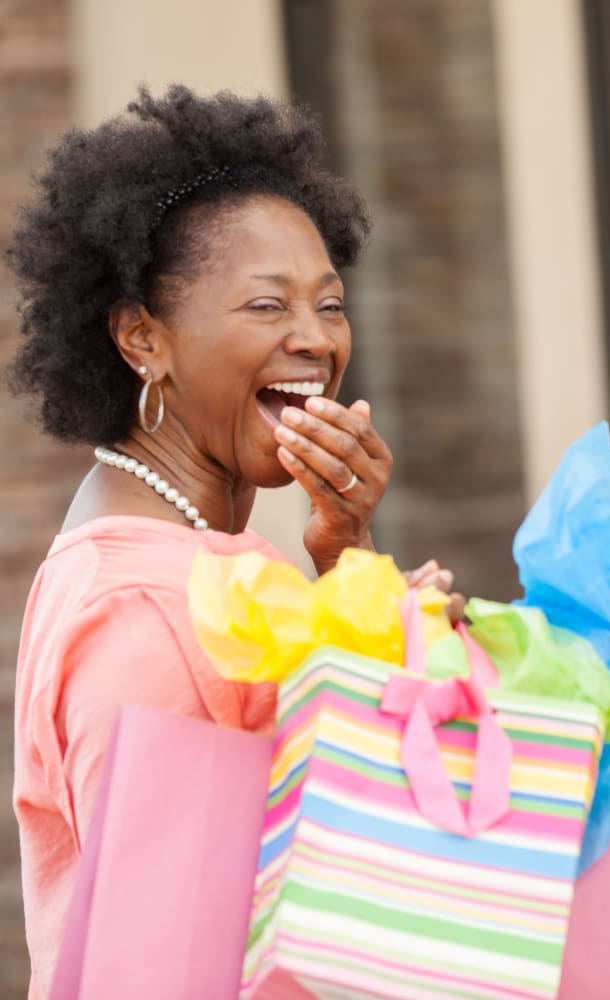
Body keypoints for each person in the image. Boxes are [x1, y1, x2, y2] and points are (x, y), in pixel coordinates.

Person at [7, 86, 450, 997]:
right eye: (265, 305)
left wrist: (348, 554)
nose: (314, 341)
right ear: (142, 338)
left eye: (329, 306)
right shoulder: (150, 611)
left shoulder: (191, 565)